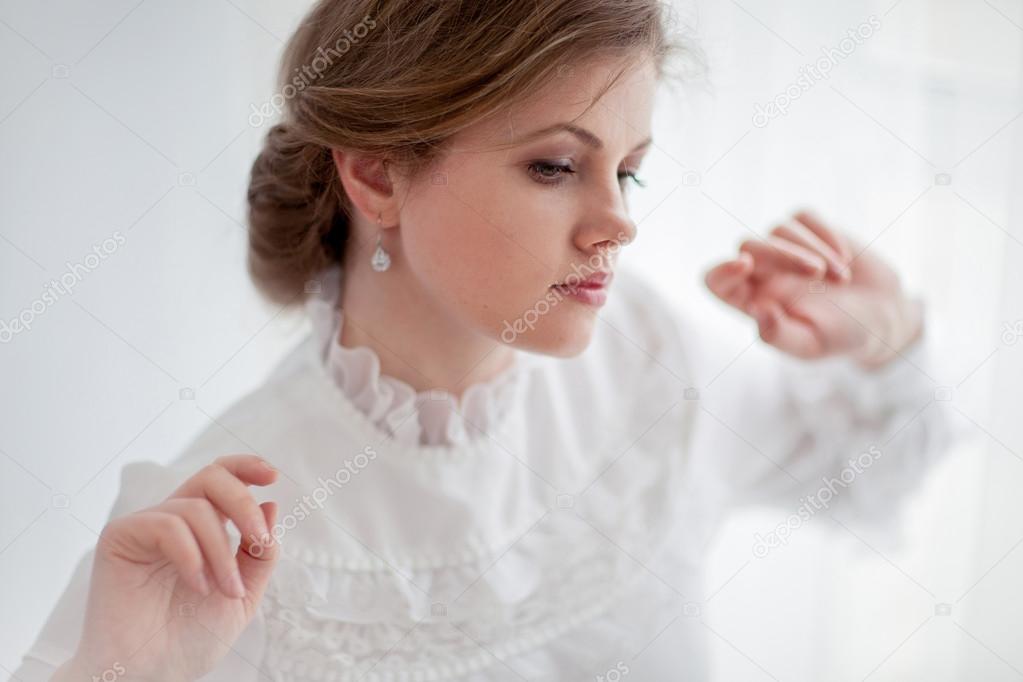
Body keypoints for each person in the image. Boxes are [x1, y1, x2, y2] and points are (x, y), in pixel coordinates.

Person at [14, 0, 953, 680]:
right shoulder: (212, 532)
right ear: (376, 176)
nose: (616, 223)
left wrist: (883, 338)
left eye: (627, 172)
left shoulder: (646, 360)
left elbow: (865, 475)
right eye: (554, 165)